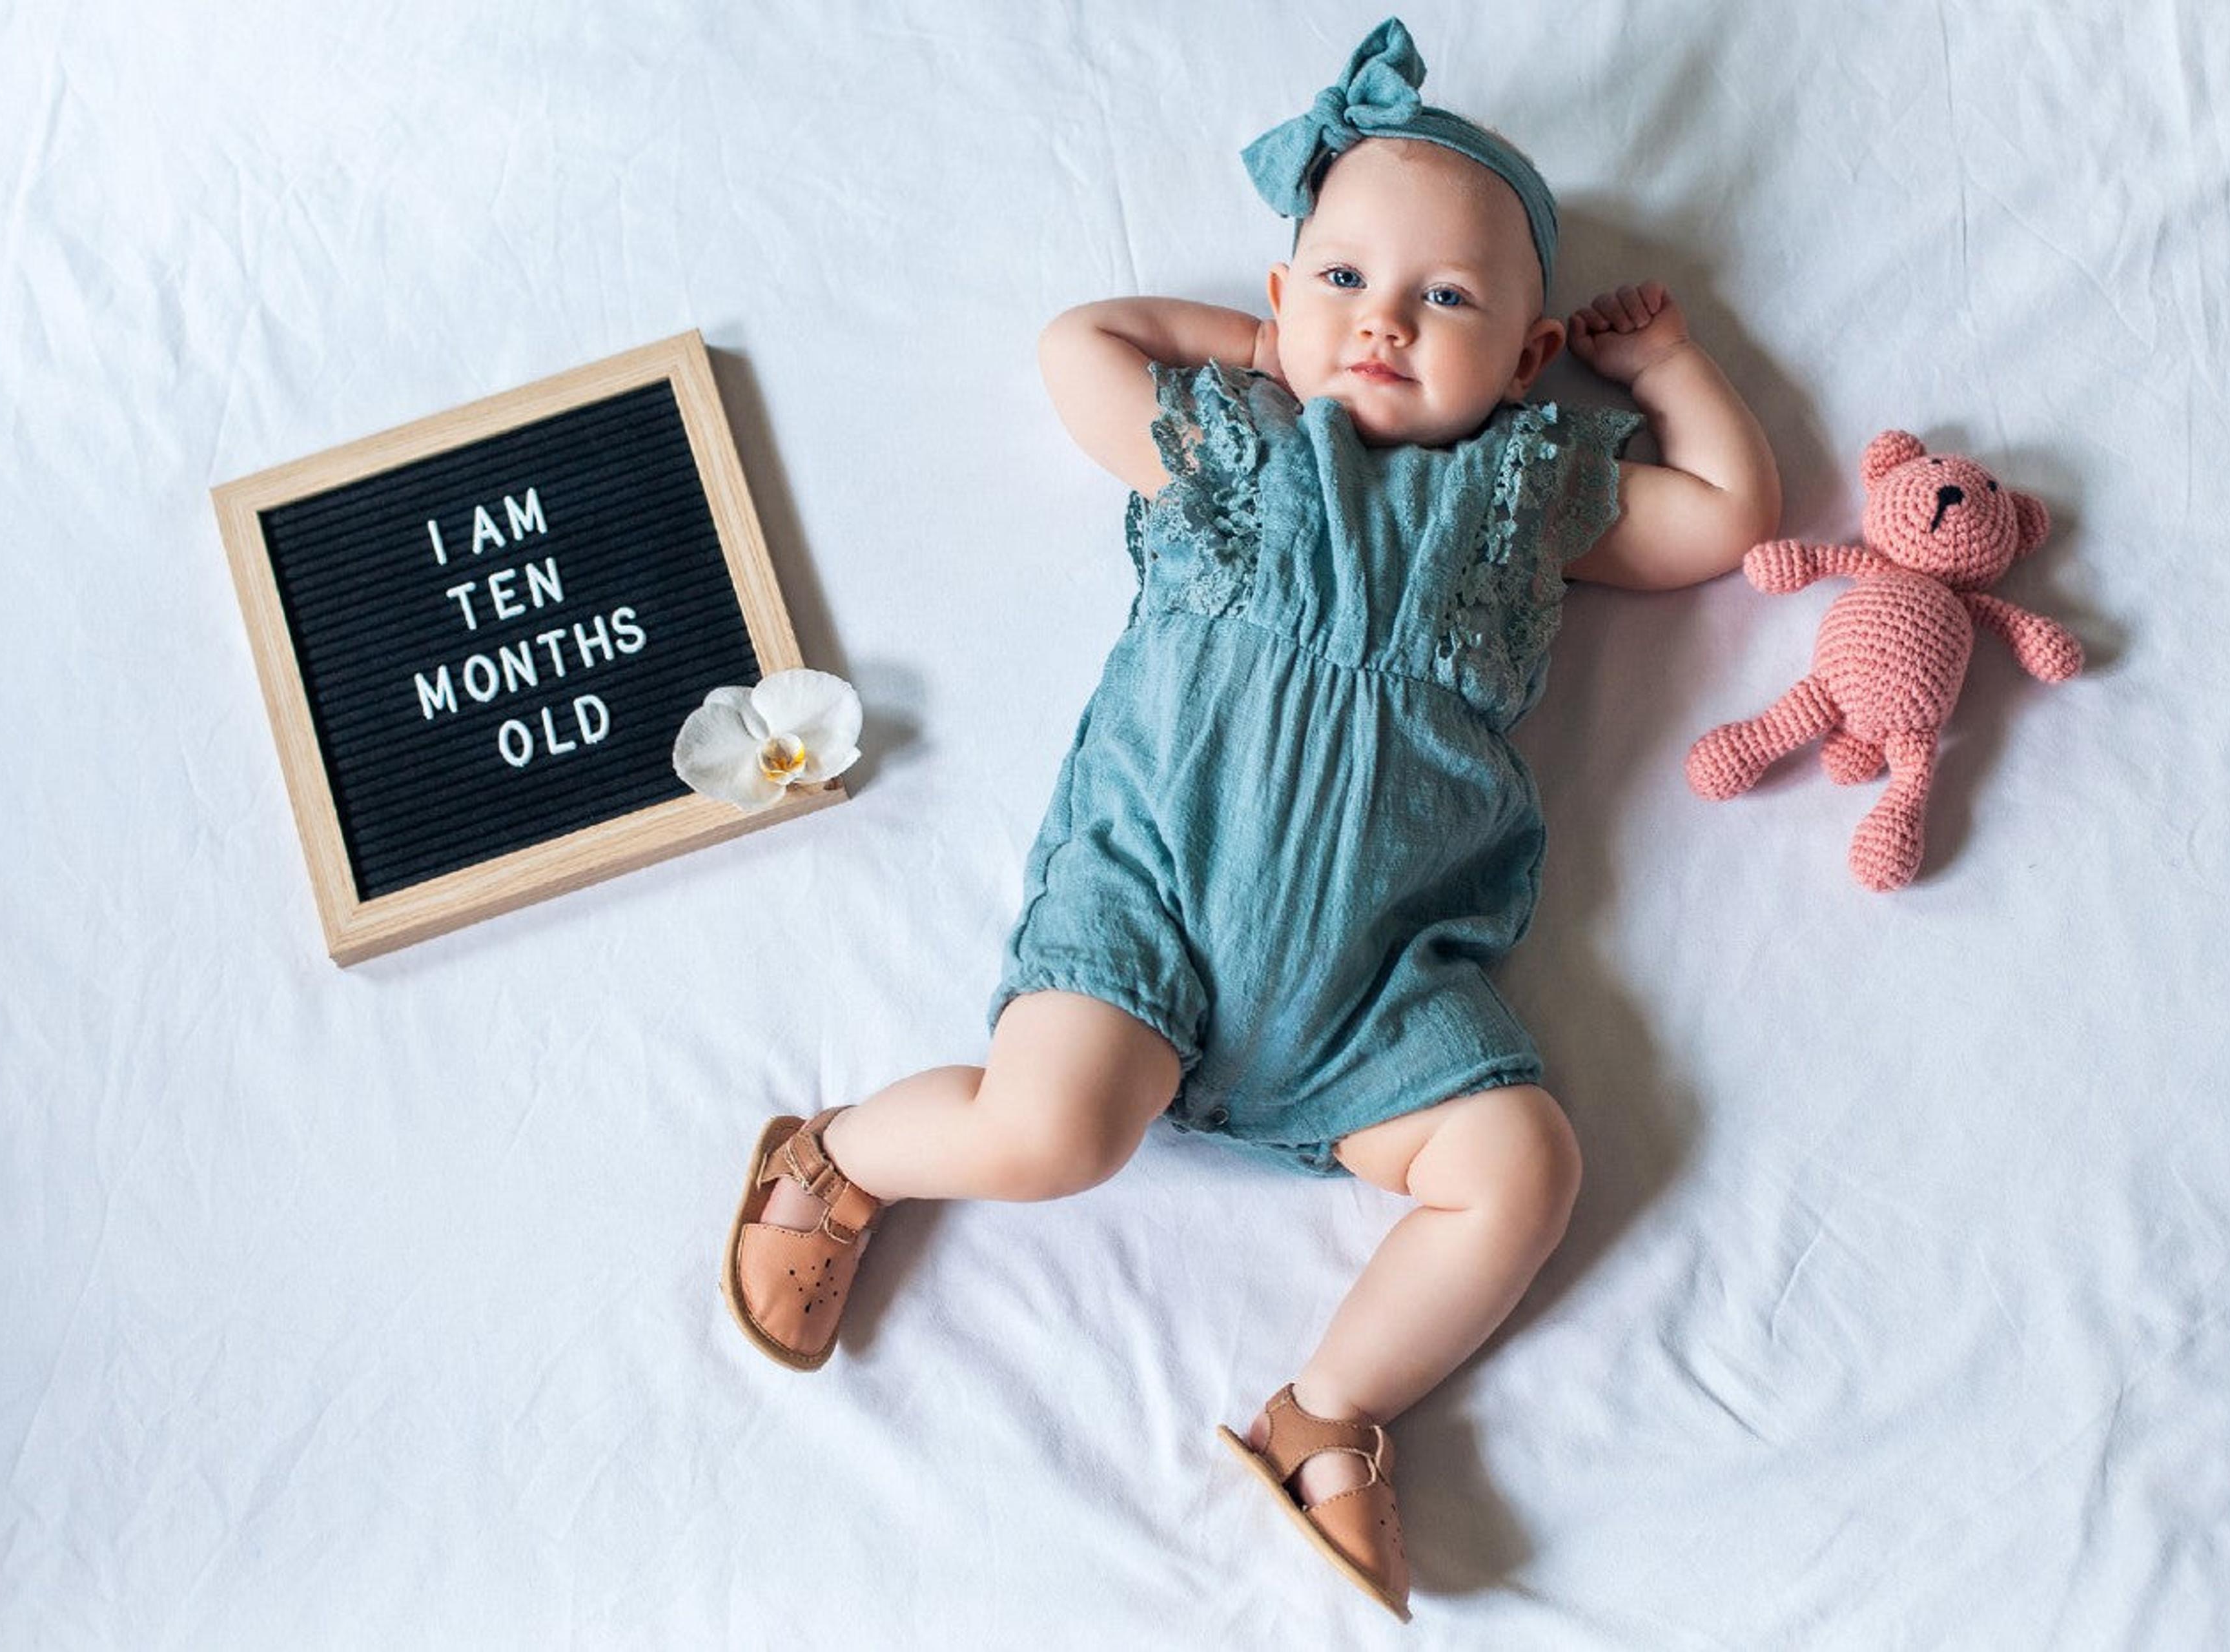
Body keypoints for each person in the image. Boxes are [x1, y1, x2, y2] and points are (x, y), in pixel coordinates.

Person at [721, 17, 1779, 1622]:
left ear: (1528, 354)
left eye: (1448, 301)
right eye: (1345, 280)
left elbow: (1721, 519)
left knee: (1525, 1159)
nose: (1389, 323)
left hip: (1375, 996)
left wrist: (1671, 369)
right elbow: (1081, 344)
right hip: (1150, 906)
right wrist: (1263, 345)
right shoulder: (1233, 450)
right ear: (1281, 307)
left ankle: (1325, 1416)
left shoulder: (1522, 498)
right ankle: (841, 1154)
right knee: (1053, 1132)